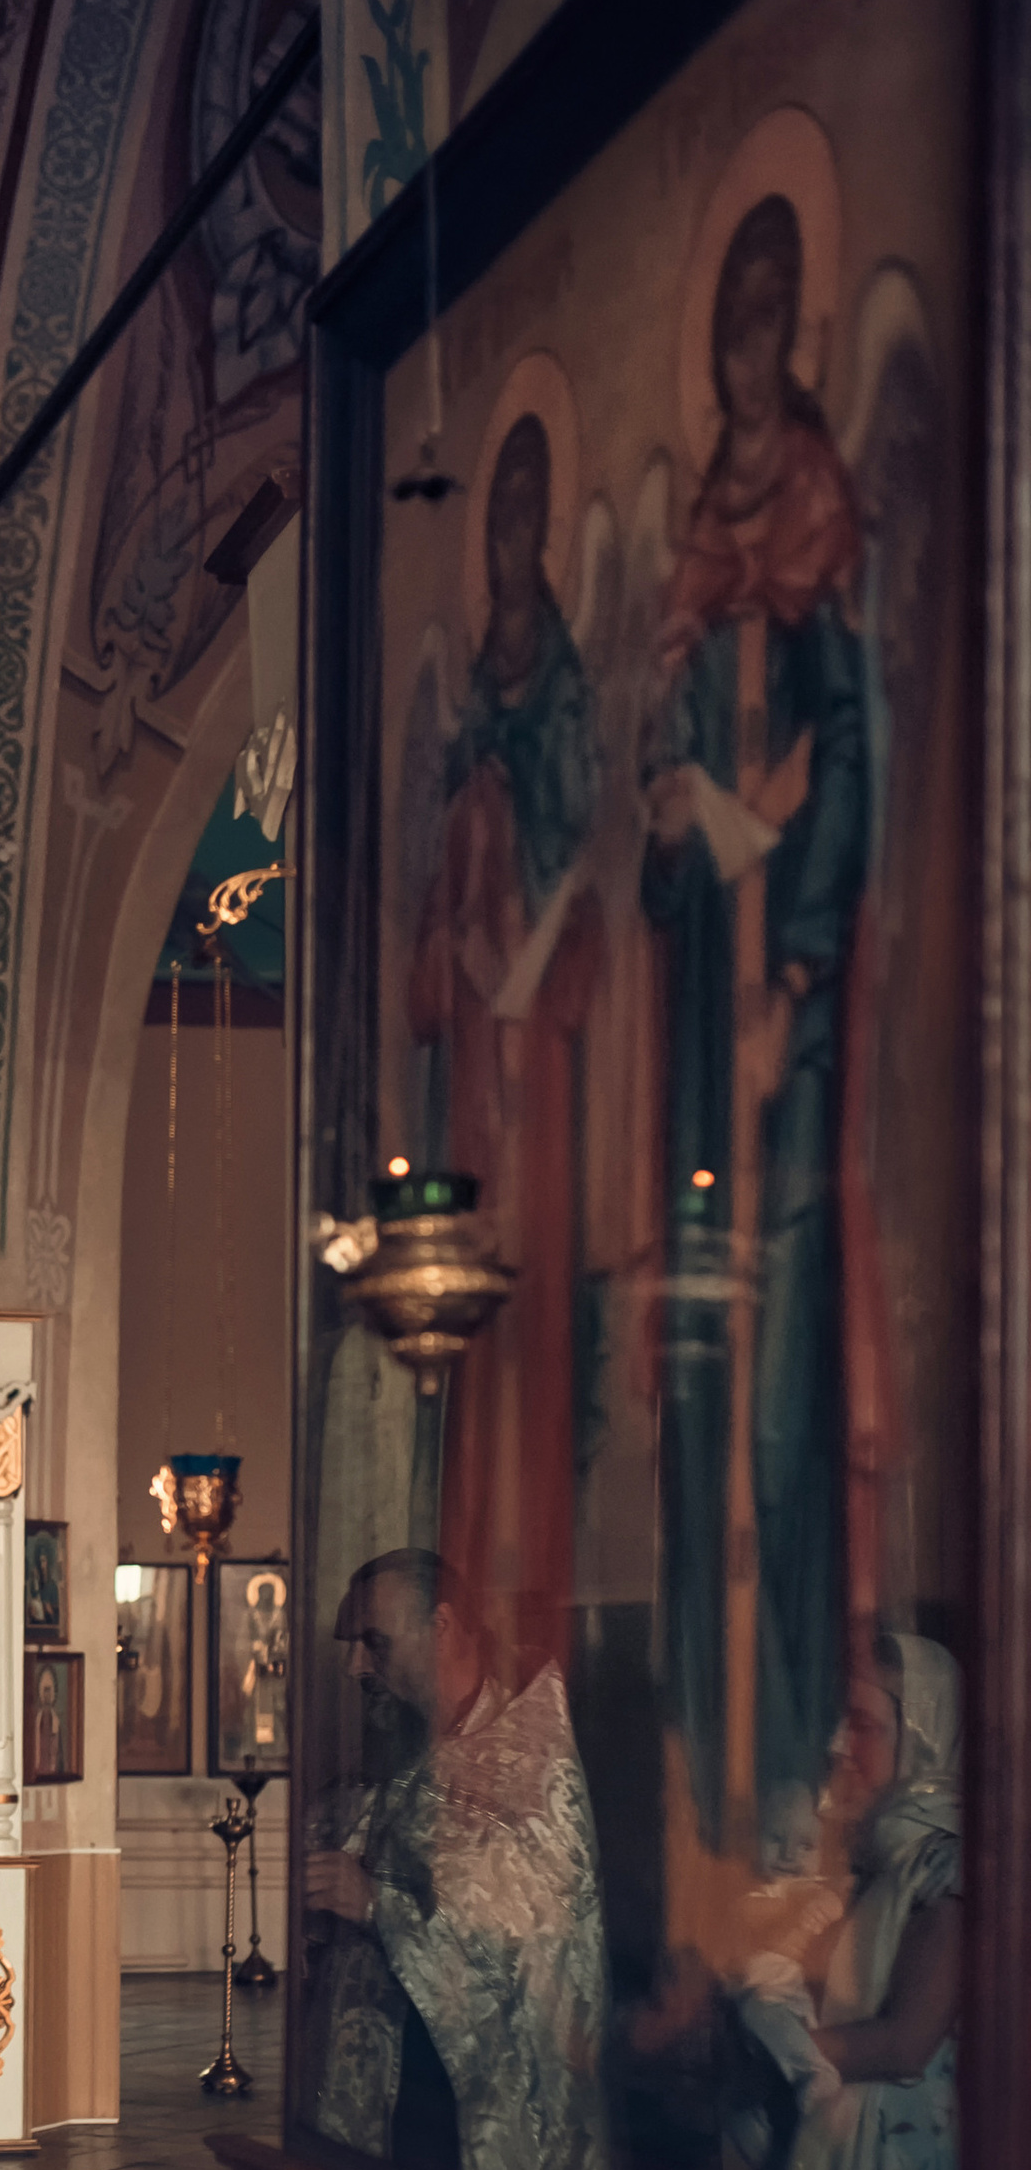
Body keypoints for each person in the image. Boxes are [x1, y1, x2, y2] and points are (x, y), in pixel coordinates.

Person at [644, 188, 872, 1859]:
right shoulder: (691, 571)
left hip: (780, 1039)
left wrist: (792, 973)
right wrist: (681, 825)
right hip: (694, 1050)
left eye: (770, 312)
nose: (747, 342)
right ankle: (703, 1752)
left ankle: (790, 1753)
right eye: (733, 310)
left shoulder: (819, 533)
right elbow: (657, 833)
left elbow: (849, 758)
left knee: (779, 1399)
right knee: (696, 1388)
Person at [408, 407, 604, 1685]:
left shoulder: (566, 699)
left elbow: (585, 860)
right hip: (476, 1072)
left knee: (532, 1301)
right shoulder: (473, 706)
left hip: (544, 1063)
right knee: (469, 1330)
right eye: (501, 512)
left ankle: (531, 1609)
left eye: (532, 509)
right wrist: (462, 958)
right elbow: (436, 911)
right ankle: (469, 1578)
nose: (515, 532)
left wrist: (527, 964)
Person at [303, 1549, 619, 2170]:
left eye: (375, 1642)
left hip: (470, 2103)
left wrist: (375, 1905)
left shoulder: (527, 1766)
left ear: (441, 1626)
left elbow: (528, 1938)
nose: (356, 1666)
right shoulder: (411, 1749)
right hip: (401, 2090)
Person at [748, 1633, 960, 2170]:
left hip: (901, 2164)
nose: (839, 1743)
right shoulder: (878, 1854)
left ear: (922, 1735)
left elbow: (907, 2042)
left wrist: (784, 2042)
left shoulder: (950, 1863)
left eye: (863, 1724)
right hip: (845, 2142)